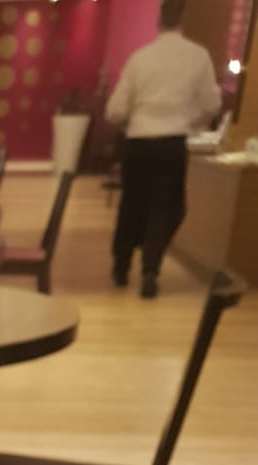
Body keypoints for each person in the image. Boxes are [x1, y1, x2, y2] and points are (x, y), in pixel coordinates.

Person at [106, 0, 221, 298]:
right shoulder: (198, 56)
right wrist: (190, 120)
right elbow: (212, 104)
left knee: (131, 204)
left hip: (138, 141)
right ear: (183, 20)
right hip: (172, 142)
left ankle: (120, 267)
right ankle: (150, 270)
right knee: (164, 207)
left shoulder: (140, 58)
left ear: (158, 21)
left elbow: (116, 109)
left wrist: (132, 119)